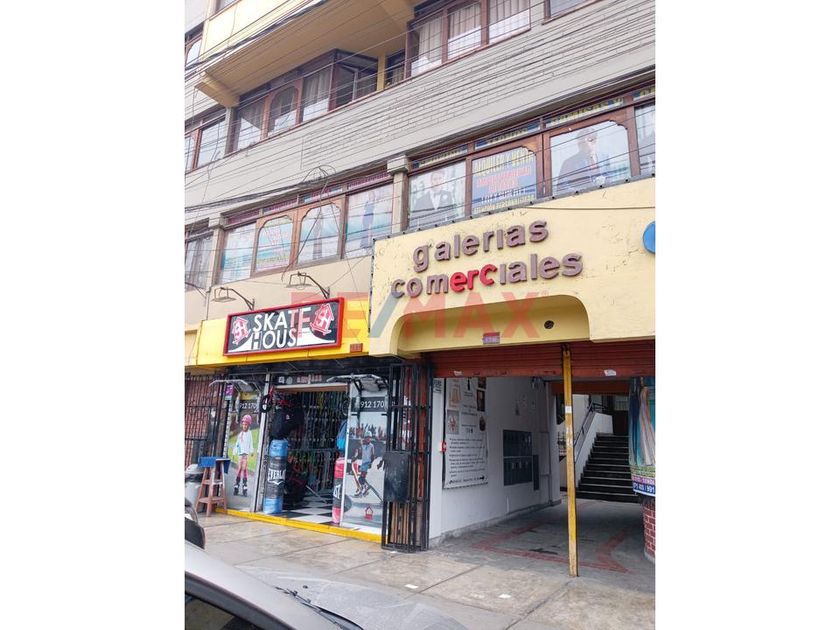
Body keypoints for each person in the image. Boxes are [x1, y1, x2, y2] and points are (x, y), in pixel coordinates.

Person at [556, 127, 611, 193]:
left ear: (594, 141)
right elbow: (561, 187)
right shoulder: (569, 162)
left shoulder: (604, 157)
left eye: (583, 142)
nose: (580, 146)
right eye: (579, 143)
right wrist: (580, 192)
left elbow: (609, 178)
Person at [233, 415, 254, 496]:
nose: (244, 426)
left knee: (244, 469)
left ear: (249, 425)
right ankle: (237, 484)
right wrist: (235, 451)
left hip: (246, 455)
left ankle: (245, 485)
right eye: (243, 424)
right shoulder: (240, 434)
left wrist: (251, 451)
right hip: (240, 454)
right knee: (239, 469)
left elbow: (251, 443)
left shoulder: (249, 434)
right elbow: (237, 444)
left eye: (246, 425)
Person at [353, 431, 377, 497]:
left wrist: (371, 463)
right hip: (363, 463)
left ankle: (363, 491)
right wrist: (355, 458)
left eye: (369, 437)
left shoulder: (371, 446)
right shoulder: (363, 445)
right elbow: (360, 453)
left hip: (367, 463)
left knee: (361, 479)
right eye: (367, 437)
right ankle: (365, 490)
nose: (368, 439)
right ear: (365, 438)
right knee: (362, 479)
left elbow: (373, 456)